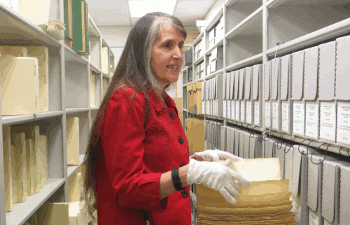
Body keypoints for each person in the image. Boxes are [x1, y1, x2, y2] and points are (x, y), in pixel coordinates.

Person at [82, 12, 250, 225]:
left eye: (180, 45)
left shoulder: (162, 99)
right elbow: (127, 188)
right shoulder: (127, 99)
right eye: (167, 45)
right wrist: (189, 173)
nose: (179, 55)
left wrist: (197, 162)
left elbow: (154, 163)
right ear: (143, 53)